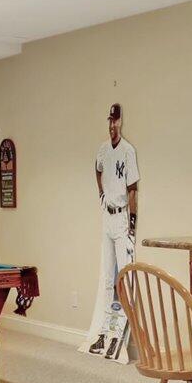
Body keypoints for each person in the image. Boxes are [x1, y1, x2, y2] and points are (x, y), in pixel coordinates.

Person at [86, 103, 140, 357]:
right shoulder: (102, 150)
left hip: (121, 217)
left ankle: (119, 332)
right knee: (107, 278)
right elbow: (97, 170)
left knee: (124, 279)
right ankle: (104, 332)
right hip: (106, 216)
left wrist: (132, 225)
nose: (112, 125)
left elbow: (133, 189)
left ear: (121, 122)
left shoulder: (128, 151)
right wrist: (101, 193)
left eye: (115, 121)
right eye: (109, 120)